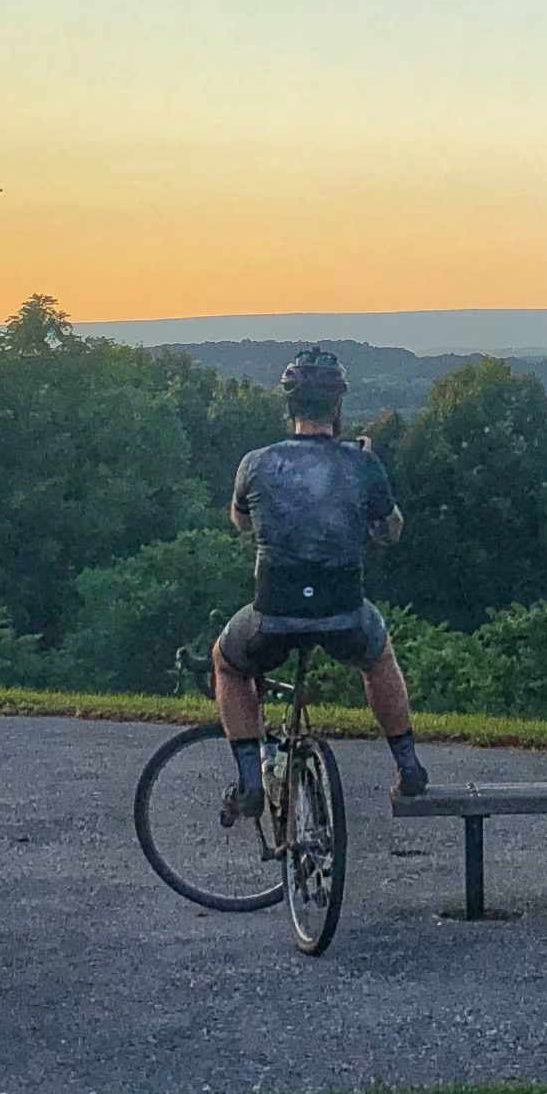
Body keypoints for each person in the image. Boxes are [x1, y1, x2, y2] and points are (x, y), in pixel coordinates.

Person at [214, 345, 427, 807]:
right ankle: (408, 767)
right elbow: (392, 531)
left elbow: (241, 521)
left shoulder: (256, 463)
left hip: (274, 612)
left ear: (289, 406)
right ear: (337, 406)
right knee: (377, 659)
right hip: (343, 610)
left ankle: (251, 780)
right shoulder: (362, 462)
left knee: (228, 664)